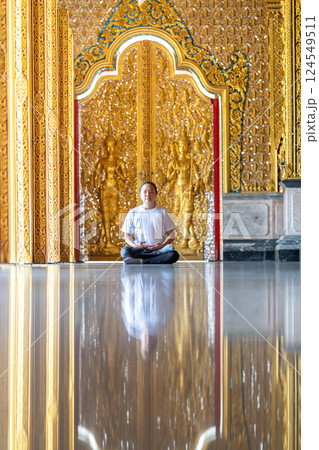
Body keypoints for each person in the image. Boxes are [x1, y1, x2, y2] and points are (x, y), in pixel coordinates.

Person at [120, 181, 179, 264]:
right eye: (145, 192)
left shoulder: (163, 212)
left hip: (159, 249)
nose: (148, 194)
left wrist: (162, 245)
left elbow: (171, 234)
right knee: (125, 251)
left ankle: (143, 261)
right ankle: (153, 258)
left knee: (173, 255)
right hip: (140, 250)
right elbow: (127, 236)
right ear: (140, 194)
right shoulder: (133, 212)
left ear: (156, 194)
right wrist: (135, 245)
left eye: (151, 192)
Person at [94, 136, 127, 249]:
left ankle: (100, 239)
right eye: (108, 146)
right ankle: (108, 241)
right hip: (105, 189)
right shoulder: (102, 162)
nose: (110, 149)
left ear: (115, 147)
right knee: (106, 214)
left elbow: (124, 178)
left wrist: (118, 172)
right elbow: (96, 176)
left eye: (112, 146)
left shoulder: (119, 162)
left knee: (112, 214)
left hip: (115, 189)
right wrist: (97, 189)